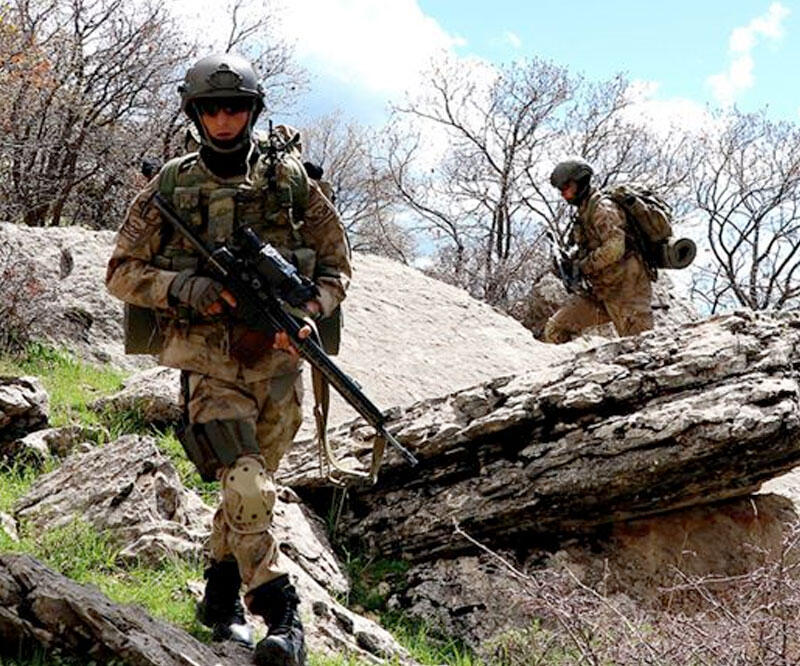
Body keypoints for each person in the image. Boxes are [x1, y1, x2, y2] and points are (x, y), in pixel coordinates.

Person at [106, 52, 351, 666]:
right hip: (209, 364)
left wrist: (306, 314)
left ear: (253, 111)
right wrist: (182, 288)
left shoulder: (294, 184)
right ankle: (283, 615)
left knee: (250, 495)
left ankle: (218, 599)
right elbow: (120, 273)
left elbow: (338, 265)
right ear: (194, 113)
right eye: (211, 108)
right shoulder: (168, 187)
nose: (223, 119)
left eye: (235, 107)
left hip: (278, 366)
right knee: (245, 484)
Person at [543, 158, 654, 344]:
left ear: (581, 181)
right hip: (600, 291)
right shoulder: (584, 213)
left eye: (566, 187)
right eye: (560, 190)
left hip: (626, 291)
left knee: (641, 349)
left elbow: (614, 248)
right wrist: (568, 263)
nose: (564, 194)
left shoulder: (603, 209)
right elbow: (585, 248)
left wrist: (584, 266)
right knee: (556, 328)